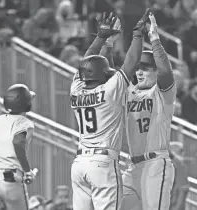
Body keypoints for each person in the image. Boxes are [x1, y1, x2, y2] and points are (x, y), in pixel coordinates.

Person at [70, 9, 150, 210]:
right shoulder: (109, 90)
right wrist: (138, 35)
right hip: (102, 163)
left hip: (79, 163)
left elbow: (86, 62)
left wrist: (101, 38)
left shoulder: (77, 88)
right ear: (103, 74)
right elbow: (130, 64)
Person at [118, 13, 176, 210]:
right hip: (133, 167)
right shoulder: (130, 91)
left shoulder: (162, 93)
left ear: (155, 71)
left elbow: (166, 71)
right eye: (139, 68)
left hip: (156, 164)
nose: (140, 72)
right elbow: (120, 71)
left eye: (146, 68)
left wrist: (154, 39)